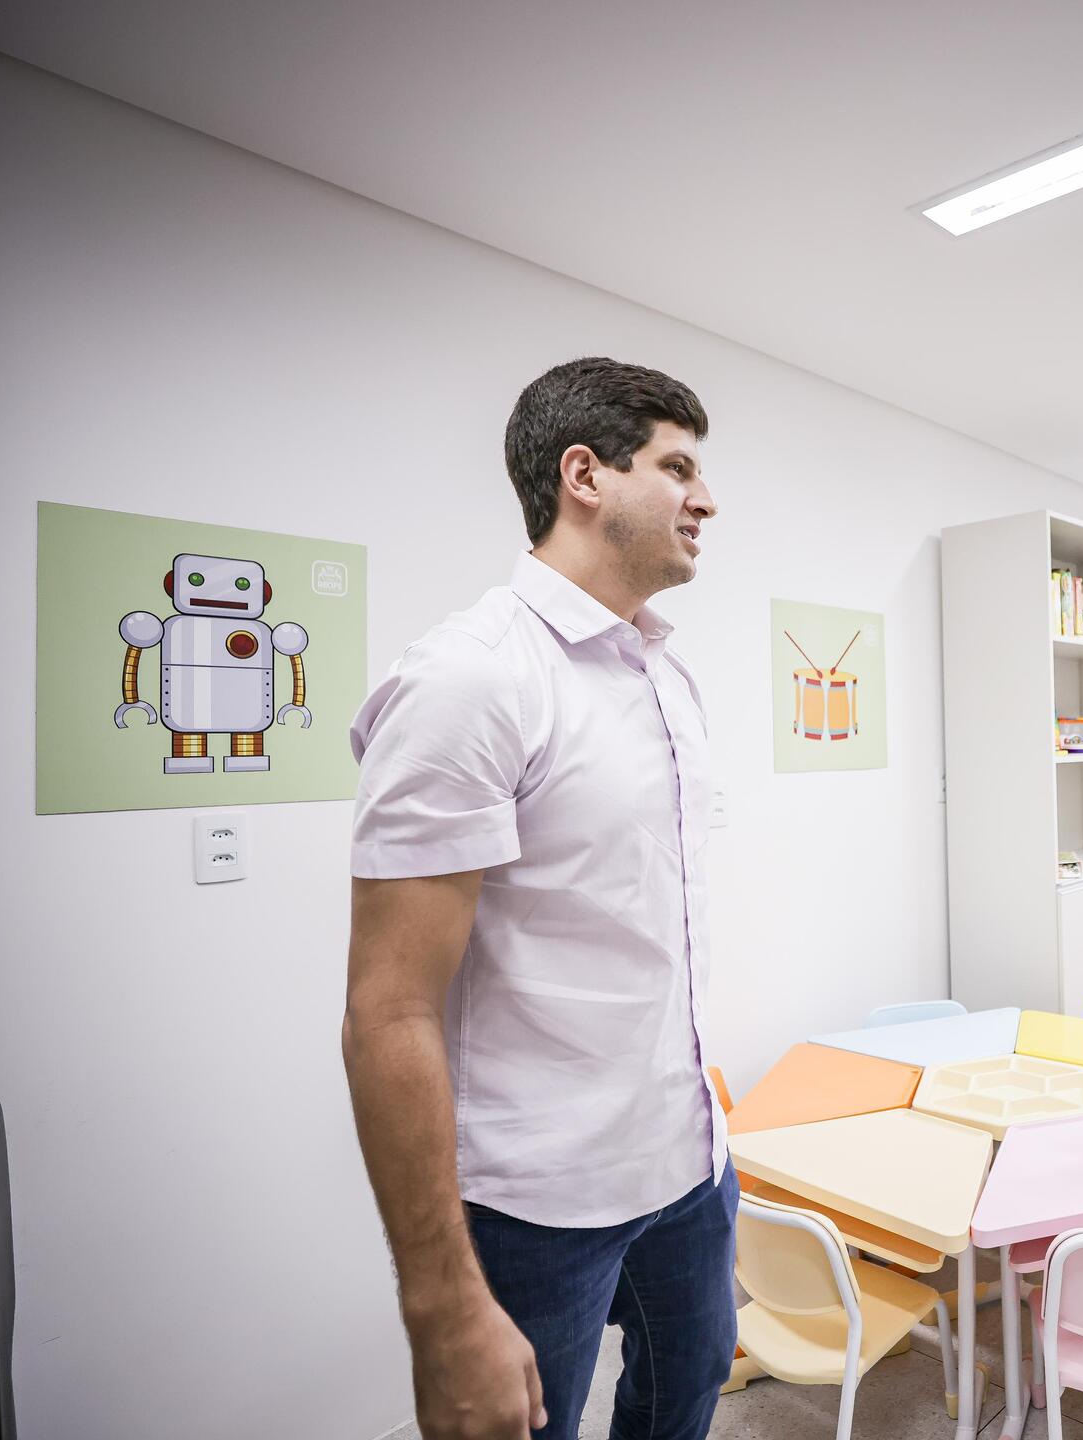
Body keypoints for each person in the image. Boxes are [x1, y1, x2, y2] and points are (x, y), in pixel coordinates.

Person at [341, 358, 732, 1440]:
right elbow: (390, 1012)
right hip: (535, 1204)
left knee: (683, 1399)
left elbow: (640, 923)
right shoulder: (472, 680)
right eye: (678, 466)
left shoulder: (663, 673)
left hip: (690, 1165)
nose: (707, 499)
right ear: (584, 475)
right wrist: (441, 1305)